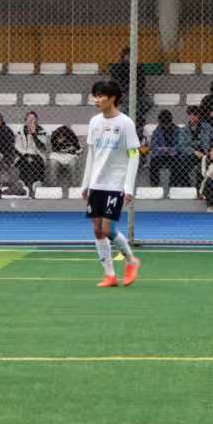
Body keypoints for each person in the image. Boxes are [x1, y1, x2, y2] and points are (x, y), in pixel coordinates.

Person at [81, 78, 142, 288]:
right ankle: (110, 275)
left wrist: (128, 186)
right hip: (96, 184)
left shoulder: (125, 123)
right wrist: (86, 183)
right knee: (97, 229)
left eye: (101, 96)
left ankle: (131, 260)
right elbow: (91, 154)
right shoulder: (94, 122)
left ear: (112, 98)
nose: (96, 100)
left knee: (107, 228)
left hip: (116, 183)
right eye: (95, 96)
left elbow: (134, 154)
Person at [146, 110, 184, 188]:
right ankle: (155, 184)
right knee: (153, 162)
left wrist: (172, 149)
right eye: (163, 124)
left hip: (173, 155)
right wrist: (161, 149)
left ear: (170, 121)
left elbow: (180, 144)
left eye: (167, 124)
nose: (165, 126)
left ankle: (173, 185)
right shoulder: (158, 130)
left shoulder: (177, 130)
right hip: (160, 155)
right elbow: (153, 145)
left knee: (177, 163)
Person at [14, 112, 48, 190]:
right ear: (25, 120)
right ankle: (23, 182)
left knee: (35, 161)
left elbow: (42, 146)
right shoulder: (21, 131)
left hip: (37, 154)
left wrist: (34, 134)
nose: (30, 121)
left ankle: (37, 182)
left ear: (36, 120)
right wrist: (25, 154)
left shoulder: (41, 130)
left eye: (33, 119)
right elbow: (17, 146)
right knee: (25, 161)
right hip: (23, 154)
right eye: (29, 119)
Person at [48, 122, 81, 186]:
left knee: (73, 163)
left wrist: (73, 150)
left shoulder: (72, 137)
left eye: (62, 137)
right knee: (53, 163)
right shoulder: (55, 137)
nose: (61, 139)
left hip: (70, 156)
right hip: (57, 155)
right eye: (59, 137)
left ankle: (74, 185)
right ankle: (53, 185)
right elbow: (54, 148)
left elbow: (79, 149)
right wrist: (63, 150)